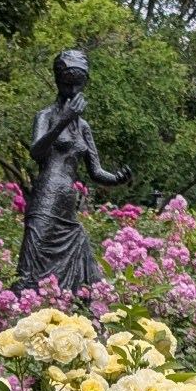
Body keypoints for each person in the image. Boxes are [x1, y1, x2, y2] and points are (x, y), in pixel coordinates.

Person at [14, 49, 131, 296]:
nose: (75, 92)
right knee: (31, 264)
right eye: (69, 85)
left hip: (67, 205)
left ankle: (83, 319)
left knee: (86, 270)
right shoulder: (45, 116)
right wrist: (64, 120)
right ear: (60, 83)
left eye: (79, 86)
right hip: (46, 198)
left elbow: (96, 171)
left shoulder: (83, 127)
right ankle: (20, 313)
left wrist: (118, 178)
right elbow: (36, 152)